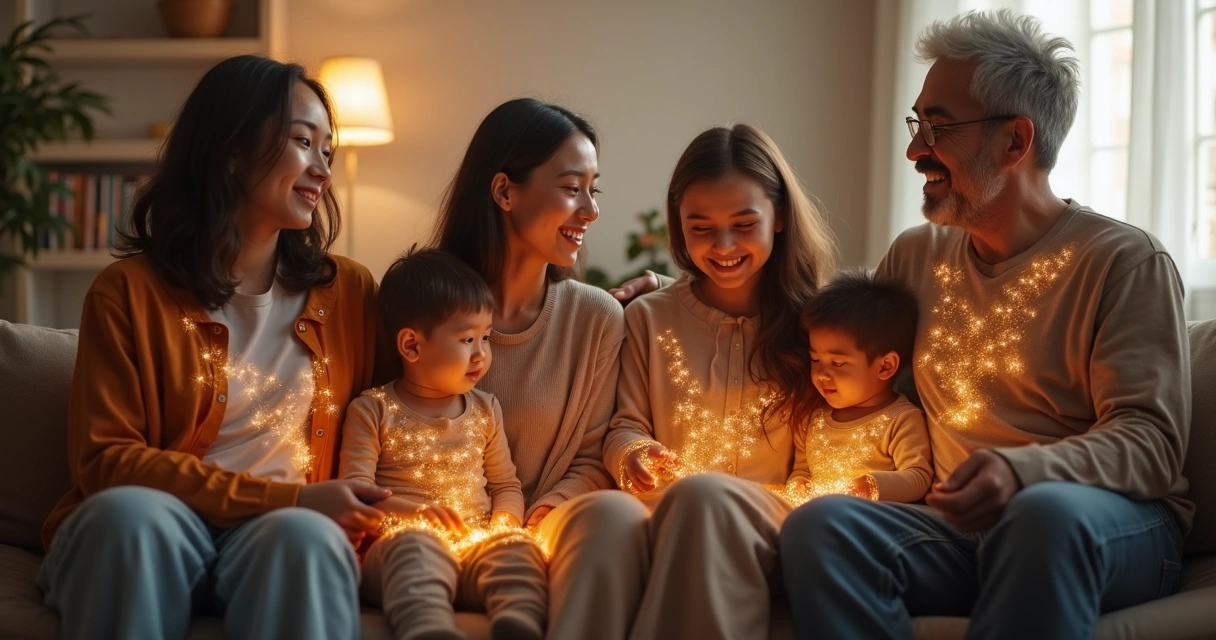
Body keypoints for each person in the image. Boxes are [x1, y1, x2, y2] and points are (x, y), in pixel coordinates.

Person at [779, 11, 1191, 640]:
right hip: (954, 529)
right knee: (822, 525)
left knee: (1041, 516)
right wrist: (675, 296)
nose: (915, 149)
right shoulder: (916, 256)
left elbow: (1151, 443)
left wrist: (1025, 473)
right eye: (916, 124)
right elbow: (833, 331)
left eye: (938, 128)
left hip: (1105, 523)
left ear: (1015, 142)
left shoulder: (1122, 261)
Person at [38, 55, 390, 640]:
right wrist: (290, 497)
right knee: (128, 519)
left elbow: (430, 363)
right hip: (160, 525)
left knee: (304, 539)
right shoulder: (128, 293)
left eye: (328, 150)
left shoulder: (348, 291)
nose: (322, 169)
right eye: (303, 142)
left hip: (281, 533)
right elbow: (106, 462)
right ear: (230, 149)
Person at [430, 98, 645, 639]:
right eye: (573, 189)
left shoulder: (595, 317)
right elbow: (388, 426)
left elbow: (595, 455)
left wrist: (541, 514)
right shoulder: (421, 304)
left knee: (611, 522)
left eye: (595, 190)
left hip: (547, 536)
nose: (591, 211)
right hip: (436, 535)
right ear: (504, 191)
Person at [617, 123, 838, 640]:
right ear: (678, 225)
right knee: (686, 502)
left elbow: (825, 451)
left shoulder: (820, 325)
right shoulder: (649, 319)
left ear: (779, 216)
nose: (723, 245)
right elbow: (625, 425)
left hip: (776, 524)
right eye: (700, 228)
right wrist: (633, 454)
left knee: (705, 498)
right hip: (666, 520)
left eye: (744, 223)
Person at [341, 248, 546, 640]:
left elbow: (506, 486)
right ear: (412, 346)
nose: (481, 354)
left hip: (472, 547)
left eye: (486, 337)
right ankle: (428, 627)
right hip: (396, 549)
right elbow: (357, 495)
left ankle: (520, 619)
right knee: (416, 549)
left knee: (516, 551)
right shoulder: (372, 410)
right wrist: (415, 513)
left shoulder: (486, 410)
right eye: (467, 339)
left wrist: (506, 523)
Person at [785, 269, 931, 504]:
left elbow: (918, 477)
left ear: (885, 367)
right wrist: (798, 485)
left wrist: (871, 486)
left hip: (865, 523)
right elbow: (802, 470)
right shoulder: (812, 419)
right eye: (815, 359)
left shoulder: (901, 420)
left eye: (838, 363)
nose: (821, 374)